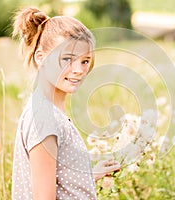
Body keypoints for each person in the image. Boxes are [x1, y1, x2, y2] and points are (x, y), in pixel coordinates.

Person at [11, 7, 120, 200]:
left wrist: (89, 175)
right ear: (41, 58)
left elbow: (56, 180)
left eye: (85, 61)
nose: (78, 70)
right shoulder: (45, 119)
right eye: (67, 59)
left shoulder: (48, 110)